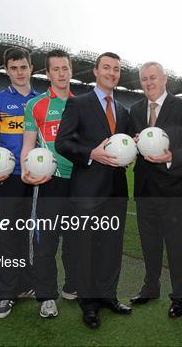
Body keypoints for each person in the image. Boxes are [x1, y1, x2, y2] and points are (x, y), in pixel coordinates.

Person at [55, 52, 132, 329]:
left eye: (117, 69)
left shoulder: (123, 111)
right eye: (107, 68)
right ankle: (87, 303)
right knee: (85, 248)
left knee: (112, 247)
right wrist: (91, 154)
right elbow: (62, 143)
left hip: (116, 190)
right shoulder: (78, 104)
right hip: (86, 190)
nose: (112, 73)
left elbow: (126, 145)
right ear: (96, 71)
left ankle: (108, 295)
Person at [128, 62, 182, 318]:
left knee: (178, 245)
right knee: (150, 243)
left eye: (153, 77)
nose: (149, 83)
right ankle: (150, 287)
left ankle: (180, 295)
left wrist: (171, 157)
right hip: (145, 189)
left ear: (164, 79)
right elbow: (128, 144)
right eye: (144, 79)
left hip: (174, 188)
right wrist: (132, 144)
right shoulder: (135, 109)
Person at [0, 48, 39, 318]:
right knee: (6, 237)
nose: (19, 72)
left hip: (39, 178)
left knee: (32, 236)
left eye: (23, 67)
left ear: (31, 68)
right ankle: (6, 293)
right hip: (7, 178)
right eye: (13, 68)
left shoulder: (42, 101)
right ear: (7, 69)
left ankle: (26, 285)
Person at [20, 49, 77, 318]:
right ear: (48, 73)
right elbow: (28, 145)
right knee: (46, 242)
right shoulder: (36, 105)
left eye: (65, 68)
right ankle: (46, 296)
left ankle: (73, 285)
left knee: (76, 239)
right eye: (56, 69)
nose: (61, 73)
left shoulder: (85, 103)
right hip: (49, 181)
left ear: (71, 71)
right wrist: (25, 171)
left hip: (79, 182)